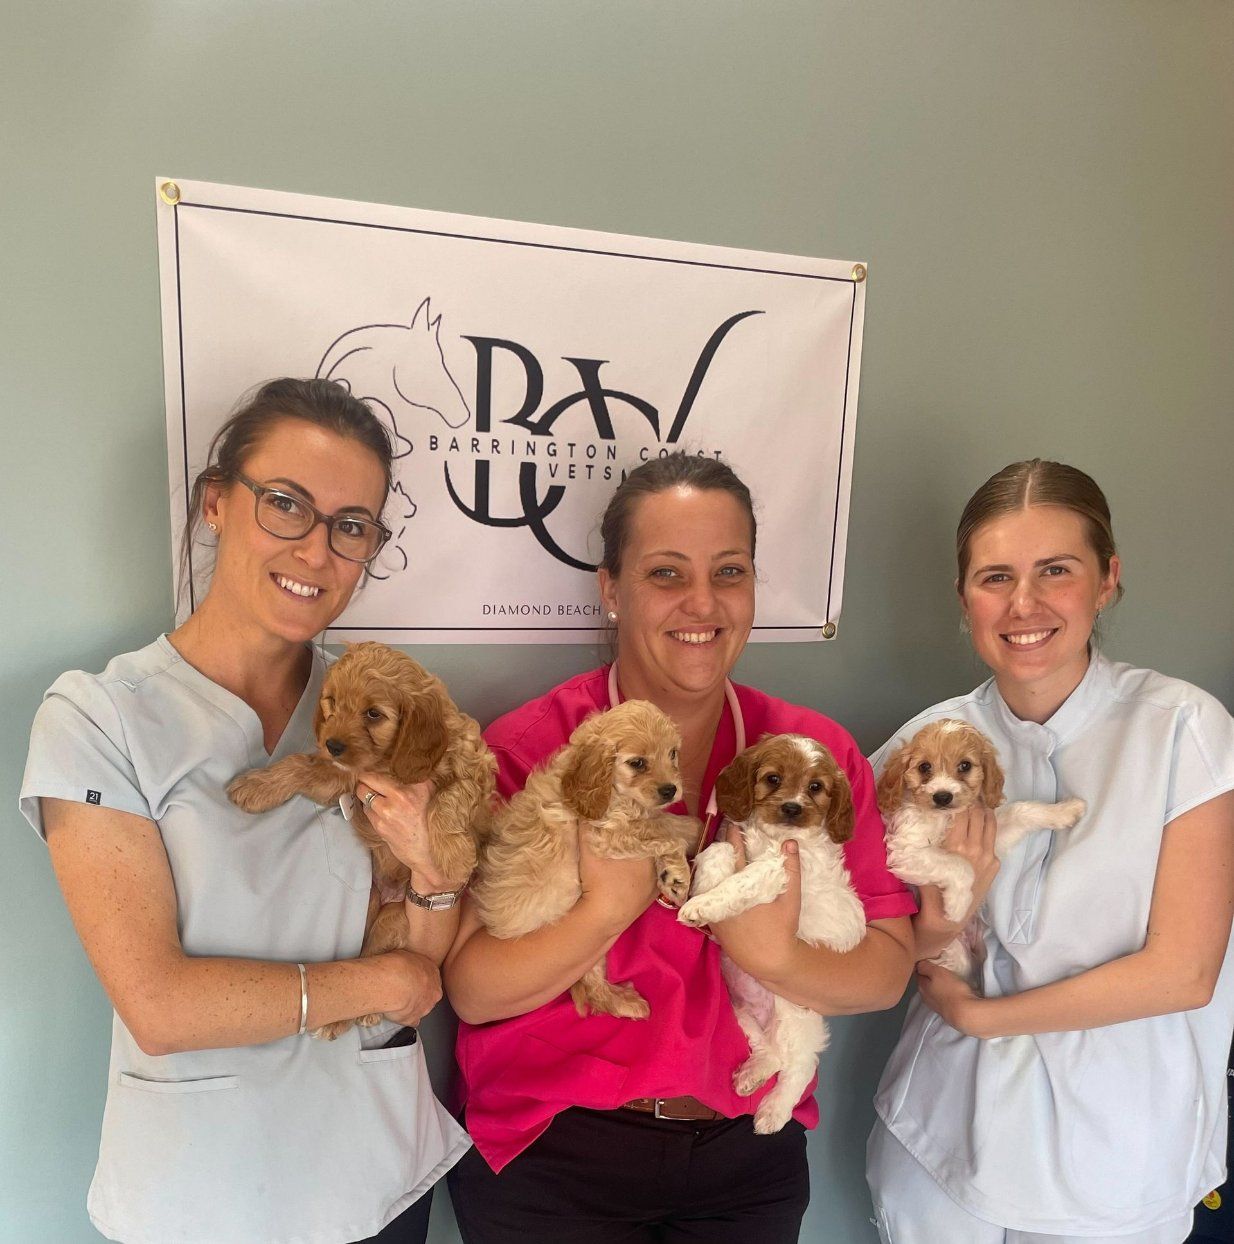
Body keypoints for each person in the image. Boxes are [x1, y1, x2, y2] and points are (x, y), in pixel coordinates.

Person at [20, 379, 472, 1244]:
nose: (316, 551)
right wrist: (375, 983)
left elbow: (423, 955)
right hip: (207, 1190)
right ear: (216, 504)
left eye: (351, 527)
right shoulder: (100, 715)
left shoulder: (377, 703)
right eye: (285, 504)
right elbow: (160, 1005)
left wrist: (440, 879)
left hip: (376, 1175)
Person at [443, 452, 916, 1243]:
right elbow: (473, 992)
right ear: (610, 591)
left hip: (746, 1160)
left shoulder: (811, 756)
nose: (703, 602)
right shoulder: (533, 750)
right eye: (666, 573)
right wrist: (605, 908)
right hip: (555, 1157)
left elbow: (888, 971)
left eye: (729, 572)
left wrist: (776, 957)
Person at [865, 459, 1234, 1244]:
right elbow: (869, 937)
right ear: (964, 597)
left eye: (1055, 571)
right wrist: (931, 933)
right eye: (995, 576)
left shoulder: (1184, 730)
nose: (1023, 604)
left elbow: (1185, 972)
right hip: (940, 1141)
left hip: (1119, 1160)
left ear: (1106, 580)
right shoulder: (923, 745)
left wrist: (988, 1019)